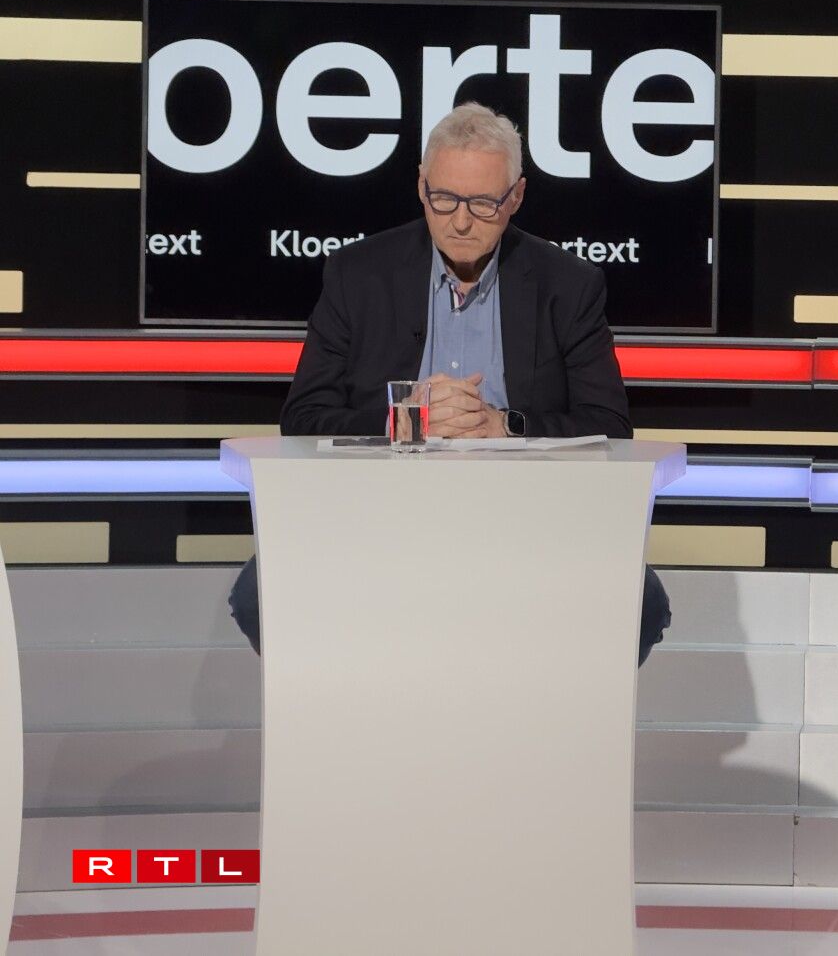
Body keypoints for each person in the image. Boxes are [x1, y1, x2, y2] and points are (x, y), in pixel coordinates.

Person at [228, 102, 671, 664]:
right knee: (257, 597)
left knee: (641, 605)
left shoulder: (568, 286)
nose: (461, 222)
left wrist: (504, 426)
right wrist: (406, 420)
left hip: (526, 519)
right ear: (421, 186)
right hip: (378, 517)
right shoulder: (357, 274)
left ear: (516, 197)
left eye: (483, 203)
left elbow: (609, 427)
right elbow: (302, 418)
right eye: (444, 199)